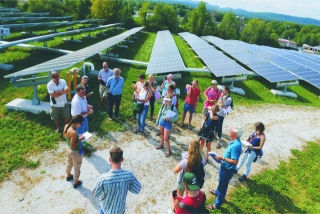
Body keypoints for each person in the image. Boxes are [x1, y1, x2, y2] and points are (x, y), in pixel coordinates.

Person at [92, 146, 142, 214]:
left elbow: (95, 193)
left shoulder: (103, 179)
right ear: (122, 159)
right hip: (120, 210)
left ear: (110, 160)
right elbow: (137, 190)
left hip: (105, 210)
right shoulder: (129, 176)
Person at [207, 123, 243, 210]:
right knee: (221, 182)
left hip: (227, 170)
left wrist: (222, 158)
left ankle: (217, 204)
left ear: (235, 133)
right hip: (225, 167)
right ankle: (217, 192)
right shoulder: (234, 142)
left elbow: (235, 161)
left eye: (230, 129)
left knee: (223, 185)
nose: (229, 130)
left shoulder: (236, 146)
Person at [64, 115, 85, 189]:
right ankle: (76, 182)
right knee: (77, 167)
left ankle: (68, 175)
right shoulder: (73, 132)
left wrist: (76, 138)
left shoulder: (66, 126)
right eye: (81, 123)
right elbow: (73, 146)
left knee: (69, 162)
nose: (81, 125)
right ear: (77, 122)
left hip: (68, 149)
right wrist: (80, 140)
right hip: (75, 152)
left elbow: (68, 138)